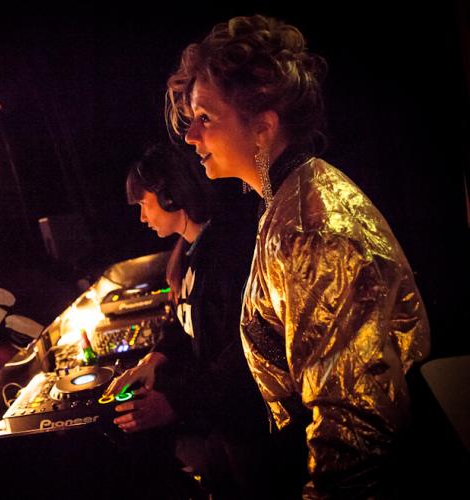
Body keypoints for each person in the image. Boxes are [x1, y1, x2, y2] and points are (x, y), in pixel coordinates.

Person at [165, 14, 430, 498]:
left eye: (206, 118)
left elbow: (353, 426)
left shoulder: (313, 231)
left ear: (263, 127)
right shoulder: (286, 197)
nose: (190, 136)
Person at [106, 143, 279, 497]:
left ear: (170, 195)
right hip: (223, 424)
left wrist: (175, 404)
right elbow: (185, 324)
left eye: (143, 204)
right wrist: (154, 359)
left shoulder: (228, 254)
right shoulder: (189, 252)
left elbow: (242, 355)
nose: (142, 217)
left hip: (250, 430)